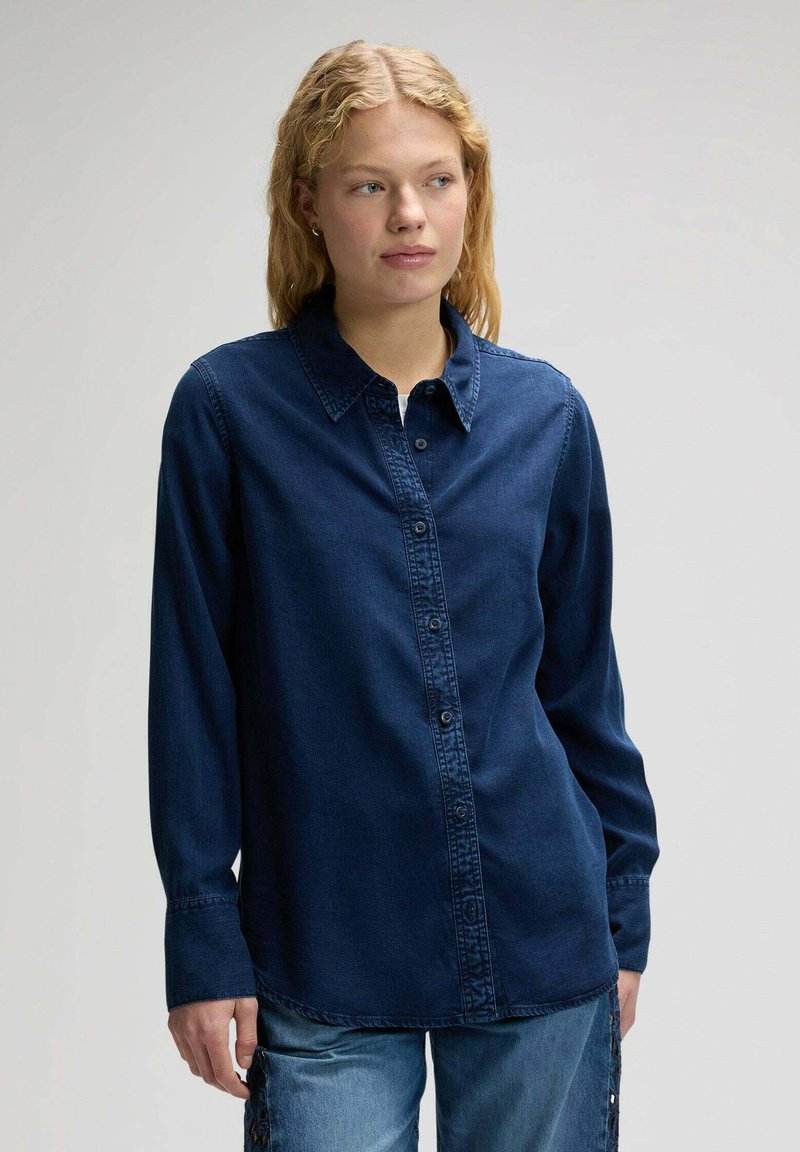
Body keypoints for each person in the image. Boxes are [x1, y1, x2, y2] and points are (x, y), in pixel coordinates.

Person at [147, 39, 660, 1151]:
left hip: (541, 933)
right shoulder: (228, 412)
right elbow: (193, 692)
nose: (409, 216)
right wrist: (202, 931)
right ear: (309, 203)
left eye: (436, 179)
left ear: (472, 192)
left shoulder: (545, 417)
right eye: (369, 186)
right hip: (320, 945)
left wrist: (623, 915)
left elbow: (582, 692)